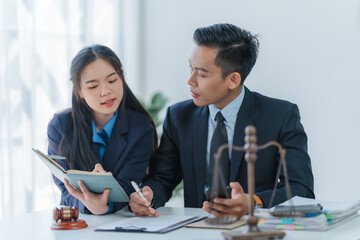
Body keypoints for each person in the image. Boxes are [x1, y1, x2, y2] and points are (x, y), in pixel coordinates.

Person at [129, 23, 314, 218]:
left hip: (256, 229)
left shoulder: (280, 115)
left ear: (233, 80)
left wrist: (253, 201)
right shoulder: (178, 117)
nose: (190, 80)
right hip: (197, 229)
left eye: (201, 73)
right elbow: (161, 179)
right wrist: (149, 194)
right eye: (190, 68)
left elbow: (301, 189)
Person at [47, 44, 157, 214]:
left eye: (112, 80)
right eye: (93, 86)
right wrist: (88, 205)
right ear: (79, 91)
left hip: (120, 221)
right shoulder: (60, 126)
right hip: (78, 220)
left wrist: (106, 206)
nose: (105, 91)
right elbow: (64, 185)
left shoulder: (141, 127)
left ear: (122, 78)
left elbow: (128, 185)